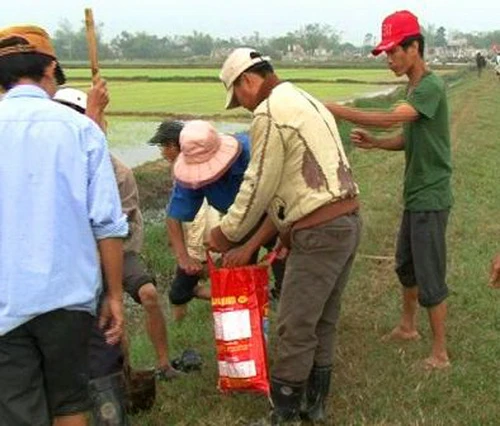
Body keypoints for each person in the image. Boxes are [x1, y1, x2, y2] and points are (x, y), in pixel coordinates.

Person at [210, 47, 361, 424]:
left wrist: (225, 233)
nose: (242, 105)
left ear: (249, 80)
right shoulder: (303, 99)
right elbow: (288, 184)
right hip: (346, 220)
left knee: (293, 323)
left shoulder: (270, 112)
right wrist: (276, 233)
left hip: (320, 231)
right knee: (321, 318)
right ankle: (315, 404)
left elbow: (257, 184)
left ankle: (285, 412)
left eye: (238, 96)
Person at [0, 26, 127, 426]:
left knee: (16, 407)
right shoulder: (81, 129)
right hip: (68, 296)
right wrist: (116, 297)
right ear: (50, 67)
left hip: (4, 300)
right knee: (71, 403)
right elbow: (107, 222)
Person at [325, 10, 452, 371]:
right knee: (405, 265)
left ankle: (440, 353)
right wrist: (377, 144)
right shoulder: (413, 87)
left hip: (431, 195)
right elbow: (408, 137)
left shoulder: (430, 86)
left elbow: (393, 117)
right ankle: (408, 327)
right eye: (387, 54)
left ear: (415, 47)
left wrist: (338, 110)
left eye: (395, 51)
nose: (390, 60)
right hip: (415, 194)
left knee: (430, 273)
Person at [54, 87, 181, 383]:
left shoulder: (119, 172)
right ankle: (115, 372)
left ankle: (163, 364)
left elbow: (119, 227)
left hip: (116, 251)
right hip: (71, 256)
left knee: (147, 294)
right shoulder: (52, 165)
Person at [148, 120, 285, 321]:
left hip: (276, 219)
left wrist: (248, 247)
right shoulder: (190, 171)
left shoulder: (252, 154)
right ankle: (249, 333)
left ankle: (285, 317)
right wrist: (182, 257)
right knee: (238, 283)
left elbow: (279, 207)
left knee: (286, 274)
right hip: (236, 226)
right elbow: (174, 215)